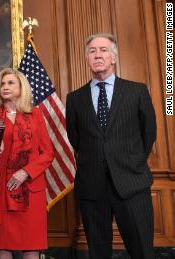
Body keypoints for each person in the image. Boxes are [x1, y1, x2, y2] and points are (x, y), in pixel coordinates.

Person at [65, 33, 157, 259]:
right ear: (87, 58)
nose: (98, 55)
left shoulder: (137, 91)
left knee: (142, 250)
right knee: (98, 252)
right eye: (92, 51)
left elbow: (149, 133)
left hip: (132, 182)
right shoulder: (75, 98)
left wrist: (129, 160)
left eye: (103, 50)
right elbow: (75, 138)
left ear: (114, 57)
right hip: (92, 185)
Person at [0, 68, 54, 259]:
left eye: (10, 83)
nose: (5, 87)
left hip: (28, 189)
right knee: (1, 245)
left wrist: (25, 172)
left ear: (21, 87)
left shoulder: (35, 115)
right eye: (2, 83)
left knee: (31, 244)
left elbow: (48, 153)